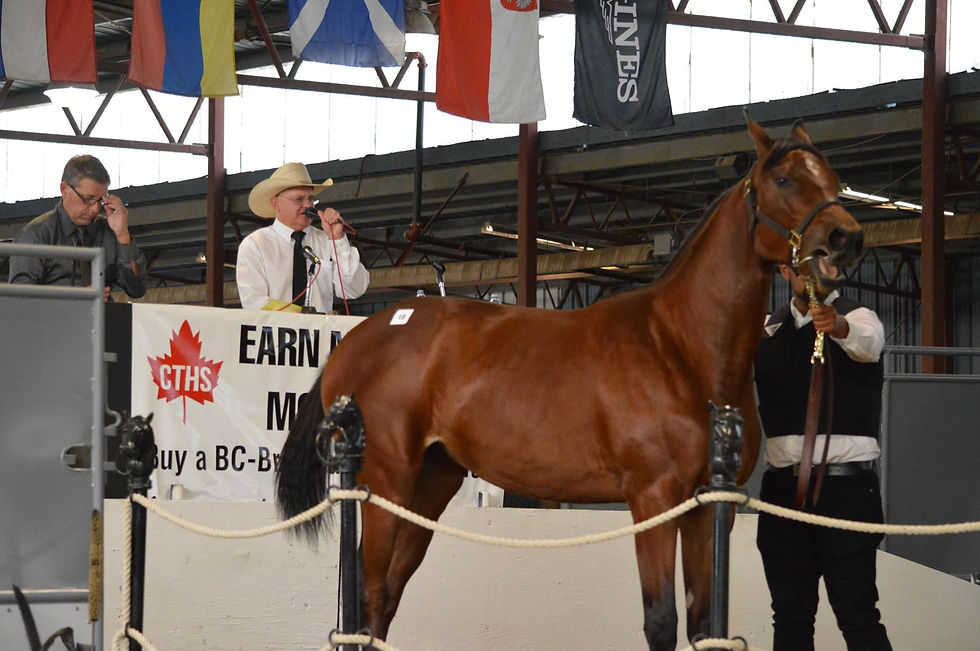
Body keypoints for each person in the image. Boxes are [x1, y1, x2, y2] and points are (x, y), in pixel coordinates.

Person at [754, 262, 891, 651]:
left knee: (858, 615)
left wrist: (839, 327)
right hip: (783, 491)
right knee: (790, 618)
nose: (815, 274)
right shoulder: (766, 329)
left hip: (846, 491)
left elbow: (868, 344)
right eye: (805, 267)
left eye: (827, 263)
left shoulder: (858, 315)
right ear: (786, 271)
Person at [9, 155, 147, 299]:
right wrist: (74, 302)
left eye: (100, 201)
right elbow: (19, 302)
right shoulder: (36, 235)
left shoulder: (107, 232)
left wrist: (123, 235)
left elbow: (137, 289)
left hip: (104, 319)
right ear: (64, 189)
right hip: (54, 321)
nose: (94, 209)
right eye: (87, 199)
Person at [236, 163, 369, 312]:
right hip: (274, 332)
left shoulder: (327, 241)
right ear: (276, 204)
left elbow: (354, 290)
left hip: (319, 334)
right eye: (299, 200)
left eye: (311, 199)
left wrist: (337, 239)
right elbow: (253, 301)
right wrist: (300, 316)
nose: (308, 205)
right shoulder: (255, 245)